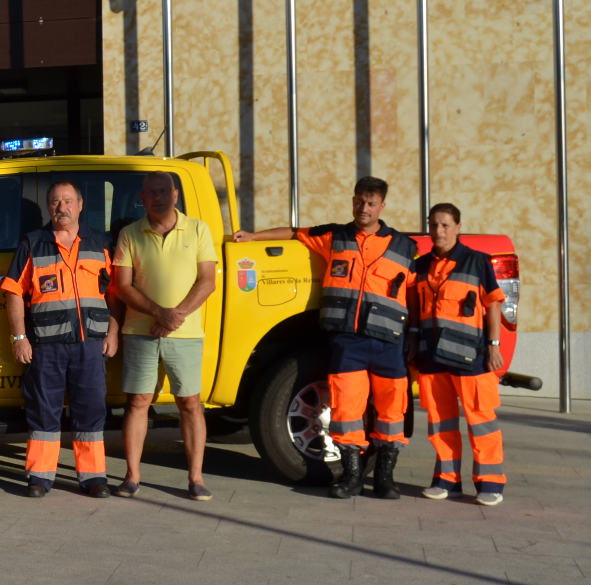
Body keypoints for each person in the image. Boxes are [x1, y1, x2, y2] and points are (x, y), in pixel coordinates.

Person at [236, 176, 416, 498]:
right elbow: (294, 233)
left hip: (388, 343)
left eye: (371, 203)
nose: (364, 208)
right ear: (353, 201)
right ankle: (351, 477)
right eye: (359, 201)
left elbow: (419, 296)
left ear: (382, 206)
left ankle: (385, 478)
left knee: (391, 412)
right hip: (348, 342)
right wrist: (252, 237)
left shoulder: (405, 247)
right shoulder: (334, 236)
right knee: (346, 411)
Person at [1, 178, 119, 499]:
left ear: (80, 205)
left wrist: (114, 330)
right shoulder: (33, 243)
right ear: (48, 207)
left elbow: (115, 292)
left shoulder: (99, 243)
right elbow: (13, 292)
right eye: (55, 202)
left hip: (90, 344)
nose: (61, 207)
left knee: (91, 409)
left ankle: (93, 478)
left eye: (68, 201)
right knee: (43, 410)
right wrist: (19, 336)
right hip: (45, 346)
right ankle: (39, 477)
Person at [113, 171, 219, 499]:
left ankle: (196, 479)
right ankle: (132, 476)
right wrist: (161, 313)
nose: (157, 196)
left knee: (189, 403)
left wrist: (174, 317)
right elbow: (122, 286)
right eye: (151, 192)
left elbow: (207, 281)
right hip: (140, 331)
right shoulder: (130, 234)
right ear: (142, 198)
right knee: (138, 401)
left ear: (175, 195)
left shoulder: (199, 229)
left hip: (185, 333)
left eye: (163, 191)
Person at [409, 204, 507, 505]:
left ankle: (490, 483)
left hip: (472, 356)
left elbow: (493, 305)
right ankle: (446, 480)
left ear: (458, 227)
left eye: (446, 225)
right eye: (433, 224)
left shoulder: (477, 262)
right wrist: (413, 343)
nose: (438, 231)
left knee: (481, 420)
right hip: (431, 355)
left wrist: (493, 346)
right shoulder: (421, 265)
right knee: (440, 421)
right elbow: (415, 307)